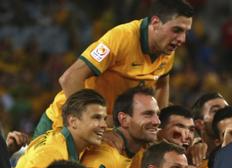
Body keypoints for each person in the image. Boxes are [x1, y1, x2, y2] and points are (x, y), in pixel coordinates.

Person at [33, 0, 194, 136]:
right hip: (62, 125)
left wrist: (158, 126)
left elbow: (162, 83)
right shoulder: (121, 38)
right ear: (155, 23)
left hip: (104, 130)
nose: (182, 39)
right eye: (177, 30)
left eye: (186, 32)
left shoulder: (166, 48)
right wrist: (96, 121)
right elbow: (70, 79)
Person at [12, 89, 107, 168]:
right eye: (96, 118)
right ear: (73, 122)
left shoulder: (76, 145)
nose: (104, 125)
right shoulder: (52, 151)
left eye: (104, 119)